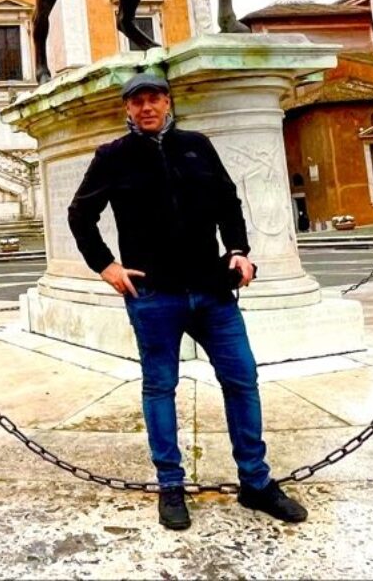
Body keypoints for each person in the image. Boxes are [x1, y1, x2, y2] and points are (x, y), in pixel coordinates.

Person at [68, 72, 307, 531]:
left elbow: (228, 201)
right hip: (154, 294)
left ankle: (256, 482)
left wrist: (239, 250)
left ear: (168, 103)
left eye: (154, 98)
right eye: (137, 101)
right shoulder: (112, 157)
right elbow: (81, 215)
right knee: (160, 388)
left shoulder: (197, 144)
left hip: (212, 289)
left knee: (242, 380)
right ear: (127, 109)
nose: (147, 107)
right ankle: (170, 485)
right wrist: (107, 266)